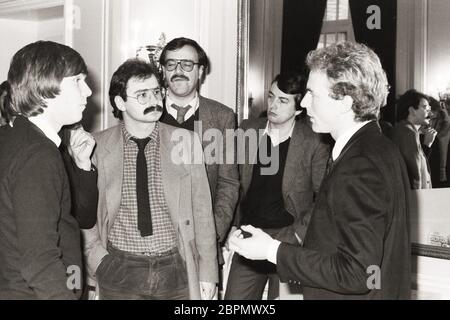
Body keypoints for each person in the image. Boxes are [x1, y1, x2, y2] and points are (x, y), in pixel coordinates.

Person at [229, 41, 411, 300]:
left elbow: (358, 273)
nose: (304, 102)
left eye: (313, 94)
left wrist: (272, 250)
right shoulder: (377, 149)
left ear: (345, 102)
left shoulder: (361, 164)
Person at [82, 59, 218, 300]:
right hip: (119, 269)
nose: (154, 101)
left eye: (156, 92)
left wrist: (208, 272)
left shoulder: (185, 141)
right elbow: (84, 212)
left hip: (176, 268)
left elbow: (203, 212)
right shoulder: (96, 147)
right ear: (120, 102)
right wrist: (98, 261)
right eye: (142, 95)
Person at [0, 41, 93, 299]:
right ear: (45, 87)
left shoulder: (12, 137)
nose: (88, 91)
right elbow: (39, 262)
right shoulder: (37, 154)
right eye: (77, 81)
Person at [224, 72, 329, 300]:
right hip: (250, 234)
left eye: (283, 101)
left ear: (299, 108)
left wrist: (299, 234)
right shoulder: (247, 130)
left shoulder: (314, 141)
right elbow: (232, 182)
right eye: (271, 97)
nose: (273, 105)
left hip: (288, 240)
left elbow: (324, 196)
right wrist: (233, 225)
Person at [159, 37, 240, 269]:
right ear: (163, 71)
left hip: (203, 242)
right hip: (153, 243)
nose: (178, 71)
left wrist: (211, 235)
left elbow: (229, 183)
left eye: (187, 64)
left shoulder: (222, 117)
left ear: (201, 71)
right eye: (171, 64)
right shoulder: (146, 113)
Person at [391, 89, 435, 189]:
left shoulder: (406, 130)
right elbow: (415, 177)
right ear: (411, 110)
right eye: (425, 108)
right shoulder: (408, 133)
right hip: (416, 200)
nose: (430, 113)